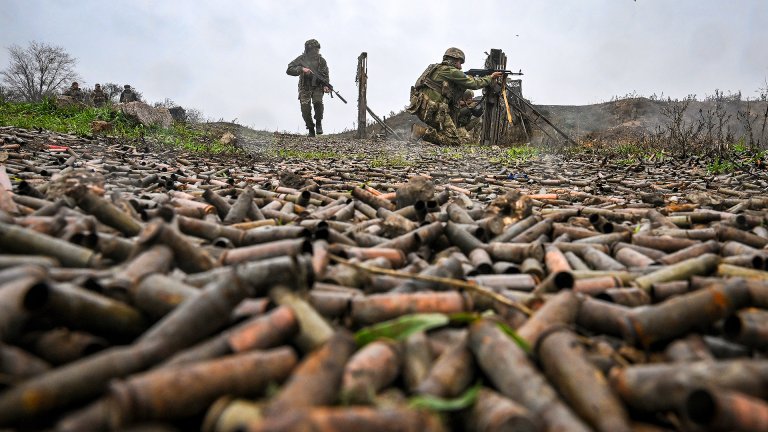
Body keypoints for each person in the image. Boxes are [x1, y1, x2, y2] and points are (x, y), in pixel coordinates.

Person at [407, 47, 501, 145]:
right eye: (459, 63)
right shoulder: (450, 71)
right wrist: (490, 77)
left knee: (450, 133)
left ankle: (425, 134)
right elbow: (473, 84)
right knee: (454, 141)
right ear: (453, 60)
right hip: (433, 110)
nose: (460, 67)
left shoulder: (435, 68)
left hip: (422, 107)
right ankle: (421, 132)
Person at [286, 39, 331, 137]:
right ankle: (311, 128)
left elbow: (326, 75)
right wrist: (301, 69)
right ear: (308, 50)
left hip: (317, 87)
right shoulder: (301, 59)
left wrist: (326, 86)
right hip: (304, 87)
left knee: (318, 103)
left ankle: (318, 123)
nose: (315, 52)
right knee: (305, 108)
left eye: (316, 49)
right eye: (312, 50)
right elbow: (289, 69)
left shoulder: (321, 61)